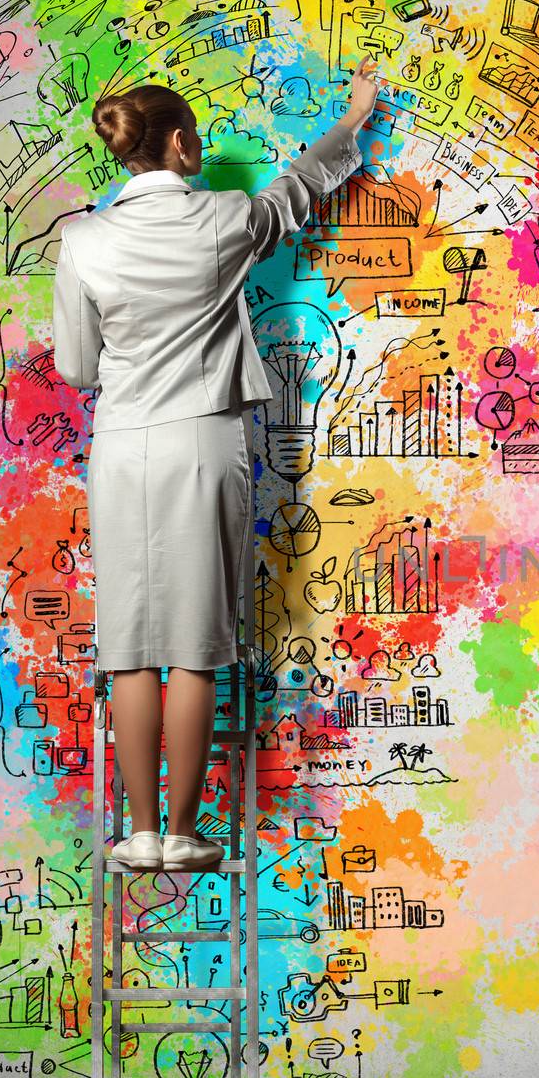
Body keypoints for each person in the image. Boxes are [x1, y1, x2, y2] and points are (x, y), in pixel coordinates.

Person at [52, 58, 380, 871]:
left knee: (129, 643)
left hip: (124, 446)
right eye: (192, 133)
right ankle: (182, 833)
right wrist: (354, 121)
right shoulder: (225, 220)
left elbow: (77, 366)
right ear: (178, 144)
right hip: (203, 442)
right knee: (196, 642)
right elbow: (299, 189)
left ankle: (137, 832)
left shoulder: (83, 239)